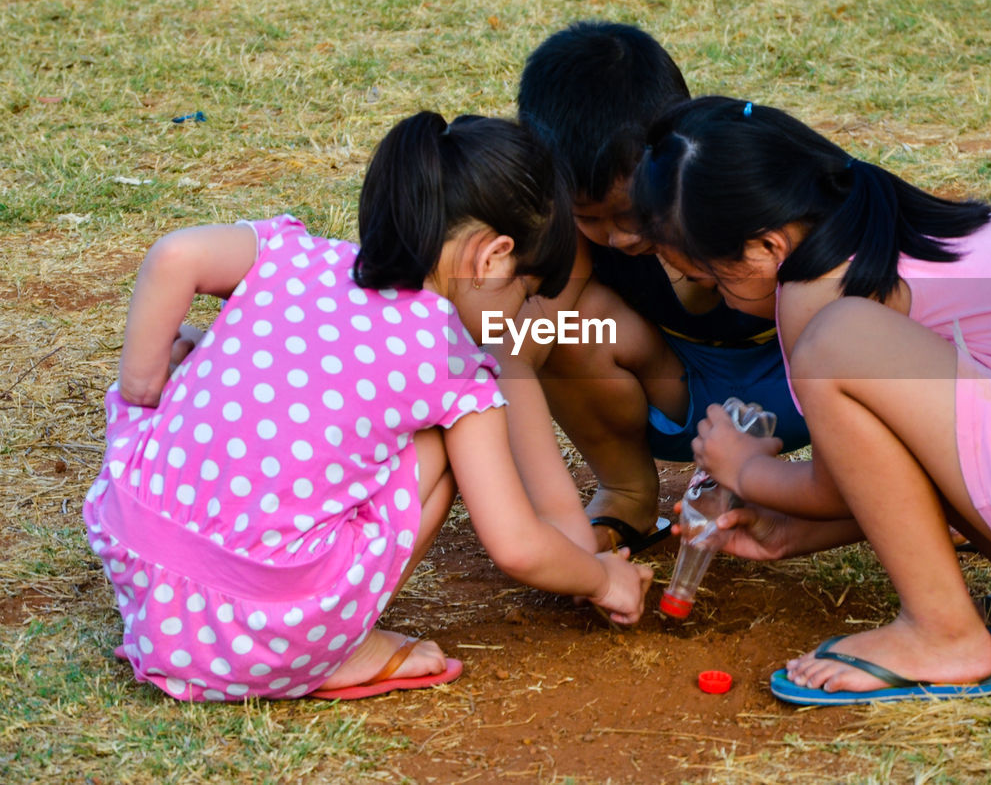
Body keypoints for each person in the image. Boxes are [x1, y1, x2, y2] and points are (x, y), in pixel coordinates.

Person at [633, 96, 991, 706]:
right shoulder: (886, 223)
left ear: (768, 248)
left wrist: (744, 467)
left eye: (710, 279)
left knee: (840, 342)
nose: (718, 301)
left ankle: (942, 635)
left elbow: (834, 488)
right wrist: (788, 534)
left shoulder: (821, 290)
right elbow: (910, 459)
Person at [83, 111, 653, 703]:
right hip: (266, 631)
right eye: (527, 293)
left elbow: (175, 256)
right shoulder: (457, 369)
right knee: (445, 444)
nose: (521, 315)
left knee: (212, 355)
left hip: (142, 568)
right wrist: (605, 579)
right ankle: (341, 647)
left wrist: (142, 393)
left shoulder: (292, 254)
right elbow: (516, 545)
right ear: (493, 257)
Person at [511, 21, 809, 553]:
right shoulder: (571, 232)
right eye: (590, 217)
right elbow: (526, 335)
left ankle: (900, 487)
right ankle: (625, 492)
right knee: (562, 322)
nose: (620, 236)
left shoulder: (742, 191)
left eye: (632, 210)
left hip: (803, 387)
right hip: (684, 397)